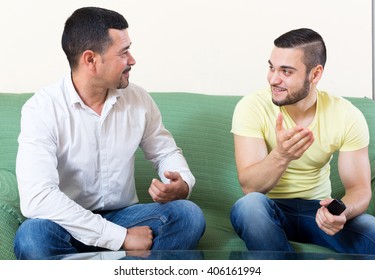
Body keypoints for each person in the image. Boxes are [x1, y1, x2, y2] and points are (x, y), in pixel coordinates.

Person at [14, 6, 205, 260]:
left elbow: (165, 152)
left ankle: (97, 265)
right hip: (67, 223)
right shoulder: (42, 109)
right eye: (124, 52)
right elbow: (38, 198)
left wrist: (180, 184)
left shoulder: (138, 99)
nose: (133, 60)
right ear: (90, 60)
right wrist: (121, 239)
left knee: (188, 216)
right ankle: (128, 264)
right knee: (32, 237)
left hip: (124, 216)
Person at [230, 28, 375, 254]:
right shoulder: (251, 107)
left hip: (317, 210)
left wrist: (342, 212)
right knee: (248, 207)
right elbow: (251, 187)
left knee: (371, 229)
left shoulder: (346, 115)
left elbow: (359, 189)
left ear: (315, 74)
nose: (273, 79)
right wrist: (282, 155)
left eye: (286, 71)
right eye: (271, 67)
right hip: (268, 209)